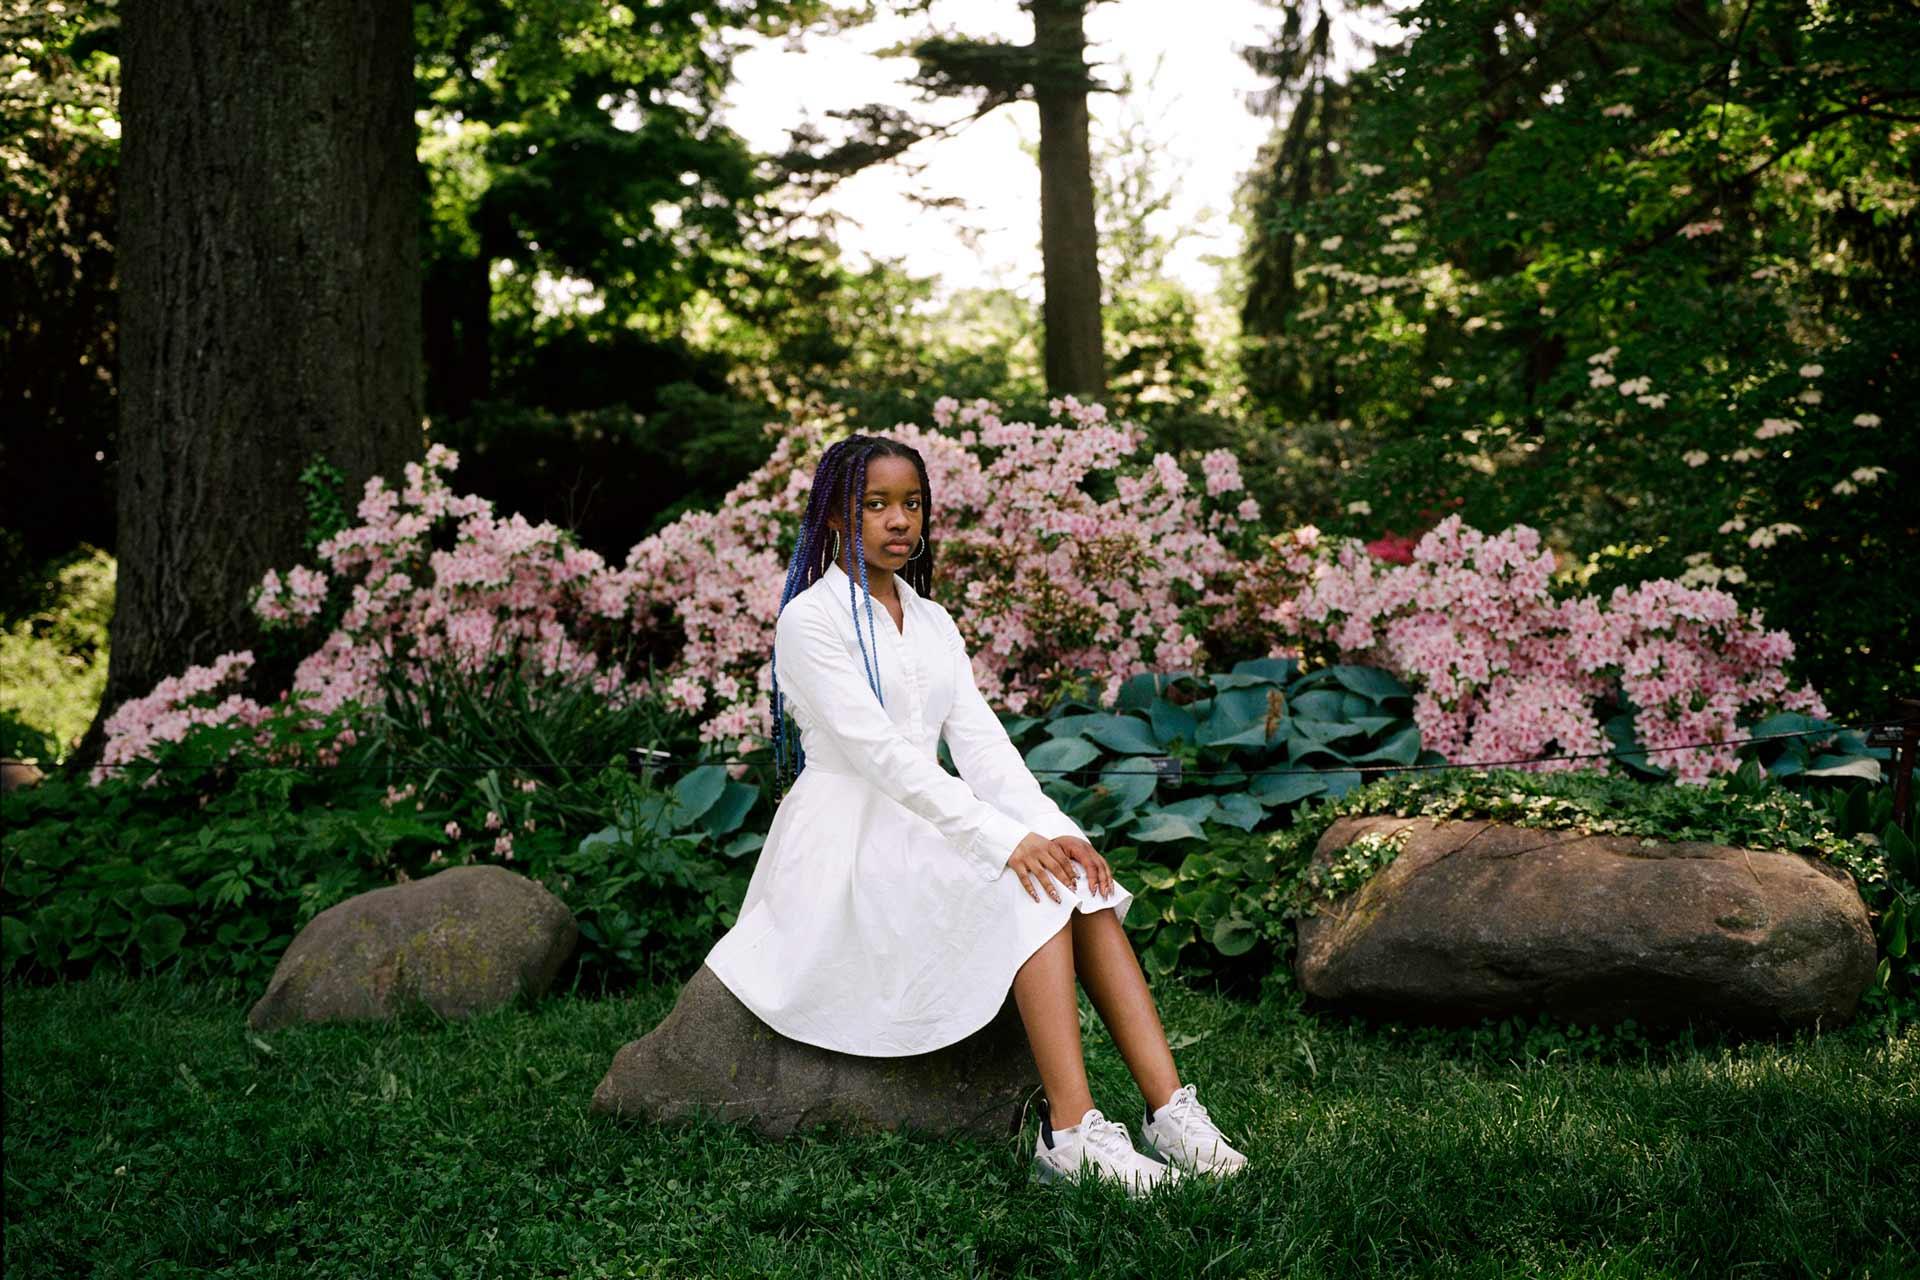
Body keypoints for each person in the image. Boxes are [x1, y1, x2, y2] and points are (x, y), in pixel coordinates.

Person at [703, 433, 1249, 1195]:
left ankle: (1170, 1111)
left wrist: (1057, 830)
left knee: (1078, 883)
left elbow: (985, 750)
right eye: (877, 504)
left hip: (928, 819)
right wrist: (1002, 841)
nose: (900, 520)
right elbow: (884, 760)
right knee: (1021, 887)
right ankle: (1070, 1133)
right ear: (834, 515)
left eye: (913, 503)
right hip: (851, 838)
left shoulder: (931, 620)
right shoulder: (810, 621)